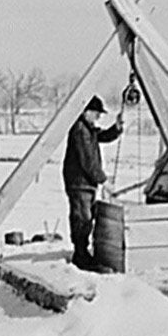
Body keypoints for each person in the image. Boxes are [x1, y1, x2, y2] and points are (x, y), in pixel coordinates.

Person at [62, 95, 124, 270]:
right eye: (96, 113)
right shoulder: (80, 130)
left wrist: (116, 128)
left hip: (84, 182)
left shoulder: (87, 128)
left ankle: (82, 252)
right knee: (83, 217)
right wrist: (104, 181)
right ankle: (80, 255)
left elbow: (102, 136)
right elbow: (88, 161)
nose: (98, 117)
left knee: (85, 216)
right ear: (86, 111)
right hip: (79, 183)